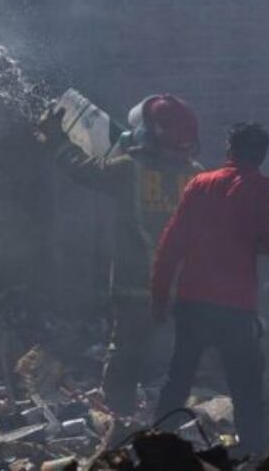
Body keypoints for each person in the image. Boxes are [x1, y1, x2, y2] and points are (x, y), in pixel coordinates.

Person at [37, 94, 202, 416]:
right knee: (178, 360)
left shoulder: (129, 170)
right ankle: (174, 420)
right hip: (183, 290)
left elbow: (84, 170)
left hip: (136, 286)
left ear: (149, 134)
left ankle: (121, 424)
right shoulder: (198, 176)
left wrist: (56, 137)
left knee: (126, 356)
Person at [151, 122, 269, 456]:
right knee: (245, 386)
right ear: (262, 156)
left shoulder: (200, 185)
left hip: (192, 302)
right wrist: (267, 243)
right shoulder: (264, 189)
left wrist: (160, 297)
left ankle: (153, 451)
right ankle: (253, 455)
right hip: (235, 309)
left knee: (177, 380)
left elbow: (170, 245)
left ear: (229, 150)